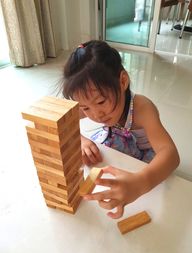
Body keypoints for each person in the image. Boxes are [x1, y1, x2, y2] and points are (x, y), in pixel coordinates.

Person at [62, 40, 180, 219]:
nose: (96, 115)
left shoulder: (142, 108)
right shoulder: (90, 105)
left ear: (123, 81)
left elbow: (170, 154)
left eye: (101, 102)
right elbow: (62, 121)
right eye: (85, 108)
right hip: (113, 150)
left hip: (144, 161)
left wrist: (141, 182)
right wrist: (82, 140)